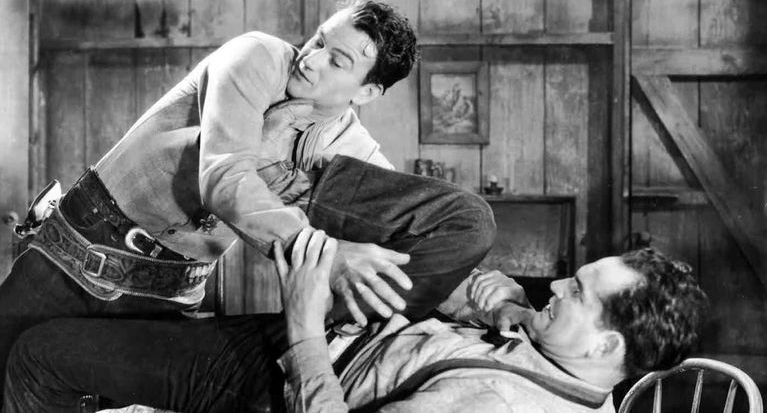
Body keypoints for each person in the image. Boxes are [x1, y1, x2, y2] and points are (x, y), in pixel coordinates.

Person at [0, 0, 497, 396]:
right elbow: (224, 175)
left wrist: (491, 301)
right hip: (76, 257)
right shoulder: (255, 56)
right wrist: (326, 258)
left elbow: (402, 227)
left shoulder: (348, 143)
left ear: (365, 92)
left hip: (170, 292)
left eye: (337, 60)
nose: (311, 60)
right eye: (319, 40)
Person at [2, 241, 708, 413]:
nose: (554, 285)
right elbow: (485, 300)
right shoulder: (572, 363)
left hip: (276, 379)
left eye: (576, 292)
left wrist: (305, 320)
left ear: (606, 343)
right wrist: (496, 306)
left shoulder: (496, 406)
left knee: (38, 353)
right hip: (303, 346)